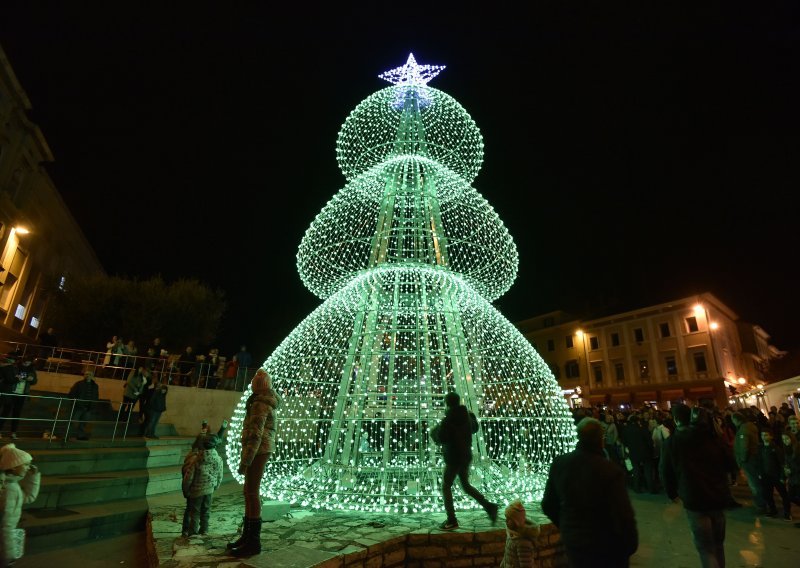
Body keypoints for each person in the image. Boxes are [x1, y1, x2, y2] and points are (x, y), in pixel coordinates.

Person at [541, 417, 638, 567]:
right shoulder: (609, 470)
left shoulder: (560, 463)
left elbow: (548, 504)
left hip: (575, 543)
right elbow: (623, 514)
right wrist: (630, 545)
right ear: (601, 439)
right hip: (607, 545)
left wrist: (567, 526)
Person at [662, 403, 733, 567]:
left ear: (676, 420)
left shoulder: (672, 442)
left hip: (694, 498)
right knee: (718, 544)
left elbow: (665, 471)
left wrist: (672, 493)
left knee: (705, 548)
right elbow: (730, 463)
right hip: (717, 496)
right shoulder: (711, 437)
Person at [227, 369, 280, 557]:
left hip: (258, 451)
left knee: (252, 493)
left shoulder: (260, 404)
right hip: (261, 449)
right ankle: (247, 536)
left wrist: (245, 462)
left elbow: (255, 435)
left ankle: (253, 542)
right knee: (249, 492)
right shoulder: (261, 401)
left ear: (258, 386)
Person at [430, 391, 498, 530]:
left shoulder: (448, 420)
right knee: (465, 485)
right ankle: (489, 506)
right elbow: (475, 428)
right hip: (465, 456)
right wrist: (472, 415)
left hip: (453, 458)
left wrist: (434, 431)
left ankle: (451, 519)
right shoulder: (466, 416)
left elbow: (441, 438)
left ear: (447, 404)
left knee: (446, 486)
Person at [0, 443, 41, 566]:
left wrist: (33, 477)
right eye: (26, 465)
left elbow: (28, 498)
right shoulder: (8, 489)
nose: (29, 468)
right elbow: (4, 527)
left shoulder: (12, 484)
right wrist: (9, 555)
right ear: (13, 467)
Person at [181, 433, 224, 537]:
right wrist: (216, 486)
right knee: (206, 511)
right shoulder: (218, 459)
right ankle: (204, 530)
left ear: (203, 445)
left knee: (194, 513)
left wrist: (186, 490)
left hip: (196, 491)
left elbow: (188, 477)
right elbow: (220, 474)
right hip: (209, 490)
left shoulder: (196, 460)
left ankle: (193, 532)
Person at [731, 411, 766, 512]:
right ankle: (763, 502)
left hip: (749, 460)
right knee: (756, 481)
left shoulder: (743, 430)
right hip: (753, 458)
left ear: (736, 420)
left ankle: (761, 505)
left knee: (754, 483)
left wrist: (742, 460)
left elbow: (744, 447)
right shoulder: (751, 426)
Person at [0, 356, 37, 439]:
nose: (26, 364)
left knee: (16, 414)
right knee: (5, 412)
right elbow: (9, 378)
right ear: (22, 361)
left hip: (22, 394)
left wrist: (31, 379)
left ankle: (13, 433)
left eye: (28, 363)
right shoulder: (15, 367)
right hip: (11, 392)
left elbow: (35, 381)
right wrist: (17, 378)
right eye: (25, 363)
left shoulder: (32, 369)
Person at [758, 429, 791, 520]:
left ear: (771, 436)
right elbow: (760, 462)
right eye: (762, 435)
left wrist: (782, 477)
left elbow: (781, 464)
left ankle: (787, 512)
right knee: (768, 494)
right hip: (766, 476)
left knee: (783, 494)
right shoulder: (761, 448)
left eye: (766, 435)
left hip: (776, 476)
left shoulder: (776, 449)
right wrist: (760, 474)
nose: (764, 437)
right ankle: (773, 510)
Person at [499, 499, 540, 568]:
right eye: (506, 517)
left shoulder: (523, 542)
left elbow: (526, 565)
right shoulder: (512, 534)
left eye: (509, 519)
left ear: (516, 522)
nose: (506, 521)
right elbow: (508, 556)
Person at [65, 371, 100, 440]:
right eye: (86, 374)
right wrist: (76, 402)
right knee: (73, 421)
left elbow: (96, 396)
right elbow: (72, 394)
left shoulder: (95, 386)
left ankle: (80, 436)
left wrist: (93, 405)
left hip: (88, 407)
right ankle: (67, 435)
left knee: (83, 423)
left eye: (89, 374)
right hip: (78, 406)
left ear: (92, 376)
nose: (87, 375)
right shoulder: (79, 384)